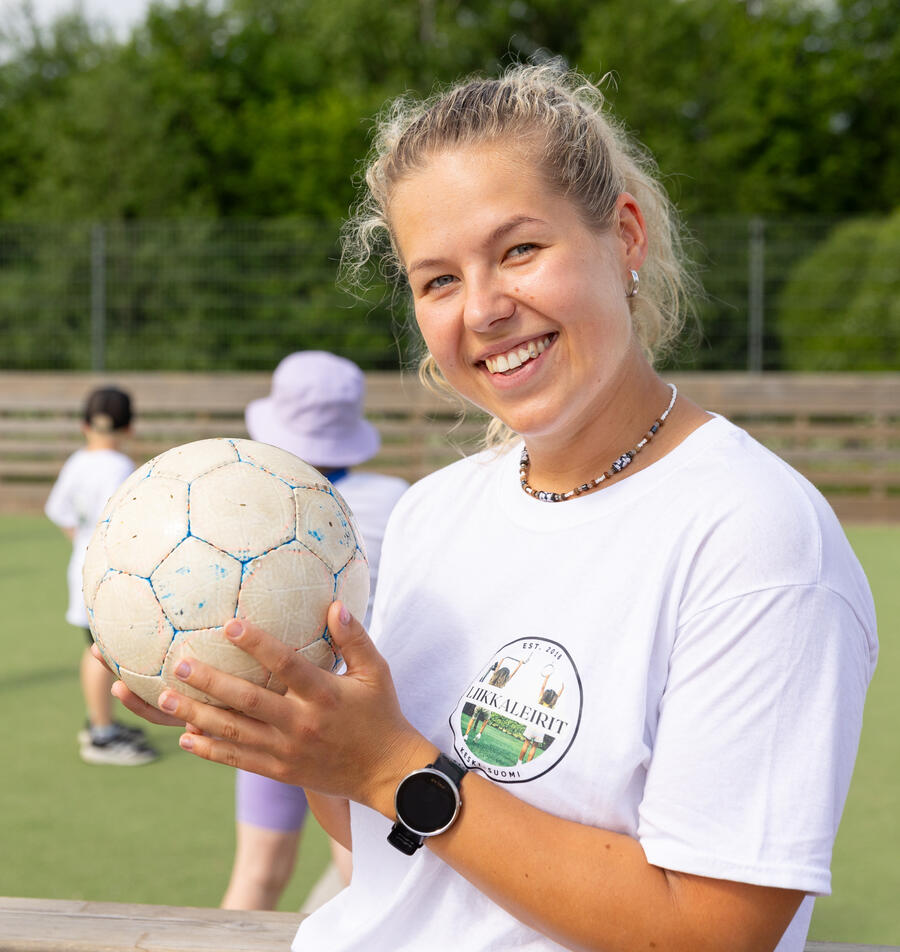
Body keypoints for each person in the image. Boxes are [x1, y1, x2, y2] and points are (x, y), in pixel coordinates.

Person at [105, 65, 878, 951]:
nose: (482, 309)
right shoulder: (435, 513)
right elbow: (389, 857)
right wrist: (294, 722)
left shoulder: (754, 536)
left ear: (624, 236)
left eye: (519, 251)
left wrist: (392, 767)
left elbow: (717, 932)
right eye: (437, 280)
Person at [219, 351, 408, 911]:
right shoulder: (396, 500)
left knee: (257, 873)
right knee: (361, 872)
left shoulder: (248, 499)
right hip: (357, 710)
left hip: (269, 700)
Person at [45, 386, 157, 766]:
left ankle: (100, 720)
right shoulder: (121, 467)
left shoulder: (77, 461)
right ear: (130, 429)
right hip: (107, 576)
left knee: (96, 648)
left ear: (83, 425)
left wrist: (82, 543)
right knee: (99, 653)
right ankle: (101, 735)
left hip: (83, 567)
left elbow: (58, 509)